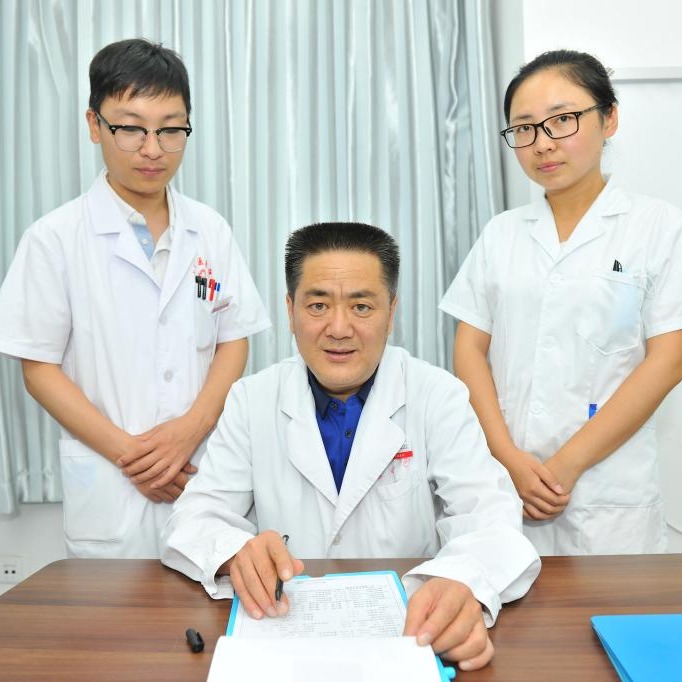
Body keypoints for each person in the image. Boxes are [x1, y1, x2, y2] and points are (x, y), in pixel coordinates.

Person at [161, 221, 540, 670]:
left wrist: (459, 582)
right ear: (290, 310)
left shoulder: (437, 395)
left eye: (361, 306)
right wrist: (234, 551)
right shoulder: (251, 399)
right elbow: (194, 517)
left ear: (392, 312)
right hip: (287, 639)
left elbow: (492, 520)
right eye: (318, 305)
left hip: (404, 636)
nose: (339, 328)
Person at [0, 39, 271, 558]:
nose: (152, 149)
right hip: (112, 482)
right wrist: (134, 457)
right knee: (113, 607)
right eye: (131, 128)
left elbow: (233, 338)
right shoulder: (54, 238)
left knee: (211, 591)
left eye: (170, 129)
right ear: (94, 125)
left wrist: (189, 431)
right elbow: (38, 368)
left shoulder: (210, 230)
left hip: (201, 468)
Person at [439, 50, 682, 555]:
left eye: (562, 119)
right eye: (524, 128)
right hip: (507, 483)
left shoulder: (657, 226)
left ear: (608, 118)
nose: (542, 143)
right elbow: (469, 348)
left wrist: (566, 466)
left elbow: (670, 359)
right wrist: (508, 457)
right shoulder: (501, 233)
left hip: (609, 497)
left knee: (614, 605)